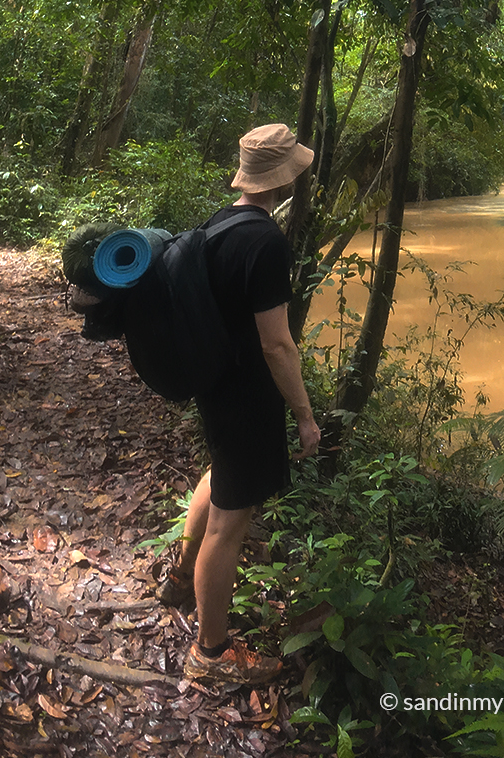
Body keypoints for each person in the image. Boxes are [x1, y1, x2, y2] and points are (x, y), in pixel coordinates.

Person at [155, 123, 321, 685]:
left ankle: (179, 579)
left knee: (218, 474)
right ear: (283, 177)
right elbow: (276, 343)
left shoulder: (218, 225)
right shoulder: (266, 243)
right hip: (247, 393)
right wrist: (304, 415)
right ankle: (210, 654)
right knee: (230, 524)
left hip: (214, 383)